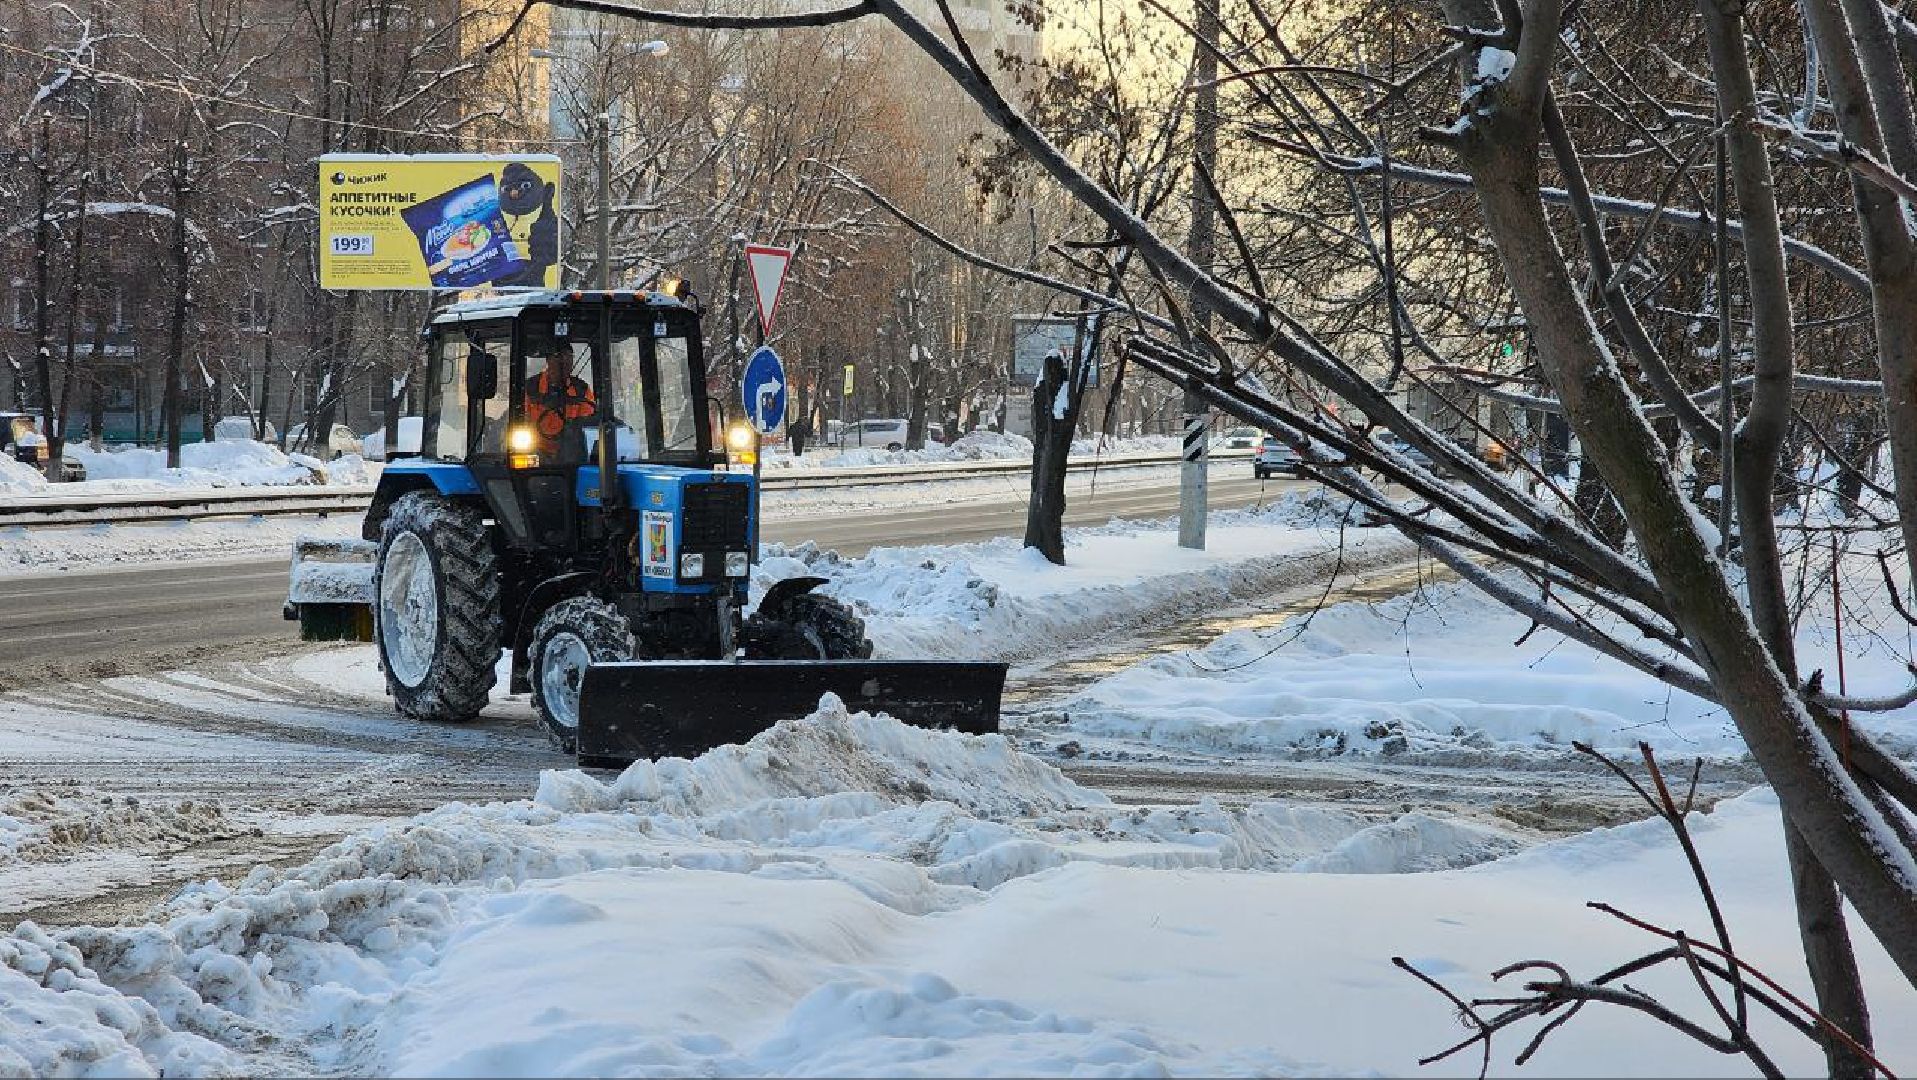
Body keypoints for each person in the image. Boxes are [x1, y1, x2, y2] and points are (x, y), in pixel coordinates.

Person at [525, 342, 596, 459]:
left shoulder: (581, 390)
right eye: (559, 356)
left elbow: (589, 423)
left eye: (569, 356)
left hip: (572, 453)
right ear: (548, 360)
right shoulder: (531, 387)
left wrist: (572, 426)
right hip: (534, 452)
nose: (565, 361)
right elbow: (520, 418)